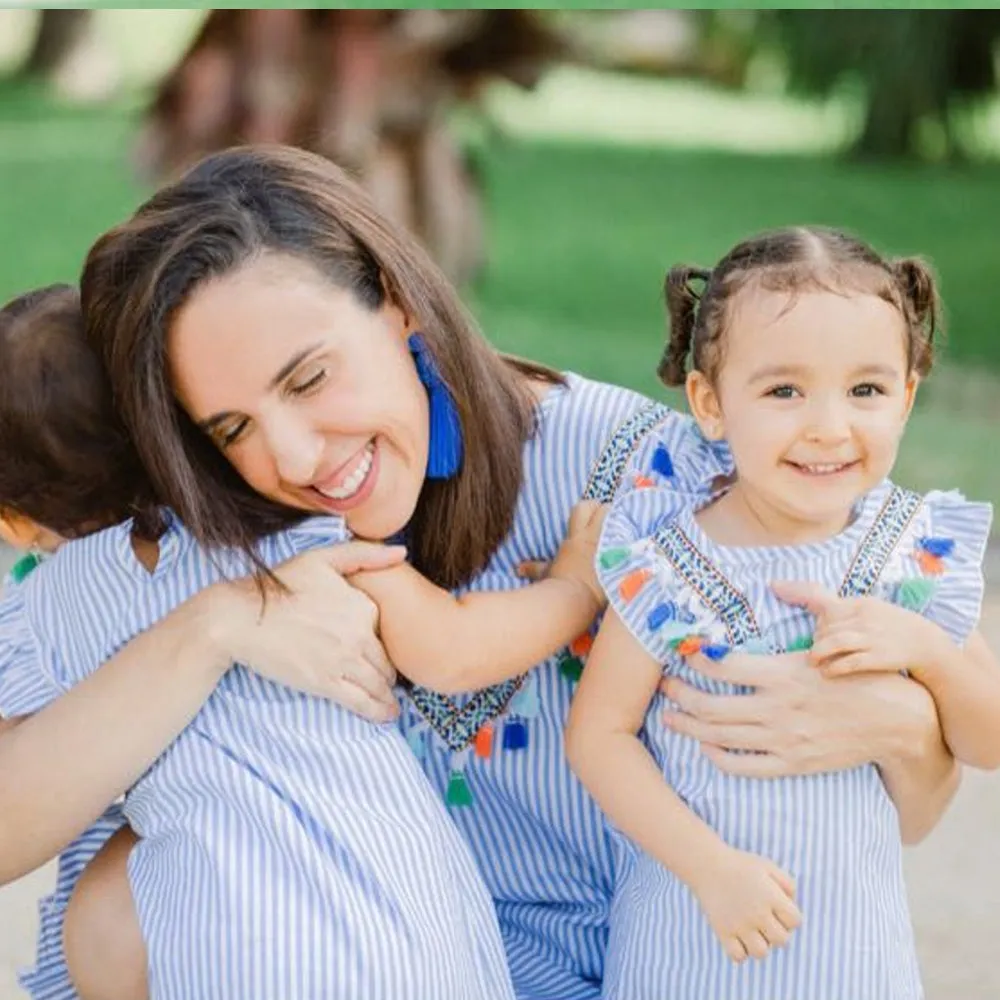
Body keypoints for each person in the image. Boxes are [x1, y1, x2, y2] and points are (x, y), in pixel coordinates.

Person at [1, 148, 958, 1000]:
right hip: (327, 965)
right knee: (114, 904)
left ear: (396, 297)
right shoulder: (210, 523)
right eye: (233, 426)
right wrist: (209, 628)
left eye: (309, 379)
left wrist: (911, 731)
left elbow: (908, 806)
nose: (295, 456)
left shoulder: (648, 484)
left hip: (609, 966)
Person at [2, 284, 605, 998]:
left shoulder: (39, 616)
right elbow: (454, 652)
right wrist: (576, 591)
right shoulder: (284, 536)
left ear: (12, 522)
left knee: (101, 921)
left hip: (227, 952)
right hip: (407, 938)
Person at [566, 226, 1000, 1000]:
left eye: (865, 390)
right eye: (783, 391)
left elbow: (988, 738)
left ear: (906, 397)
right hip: (694, 934)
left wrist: (927, 651)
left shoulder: (912, 552)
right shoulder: (666, 565)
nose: (829, 427)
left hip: (851, 951)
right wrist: (709, 868)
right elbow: (598, 738)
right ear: (711, 404)